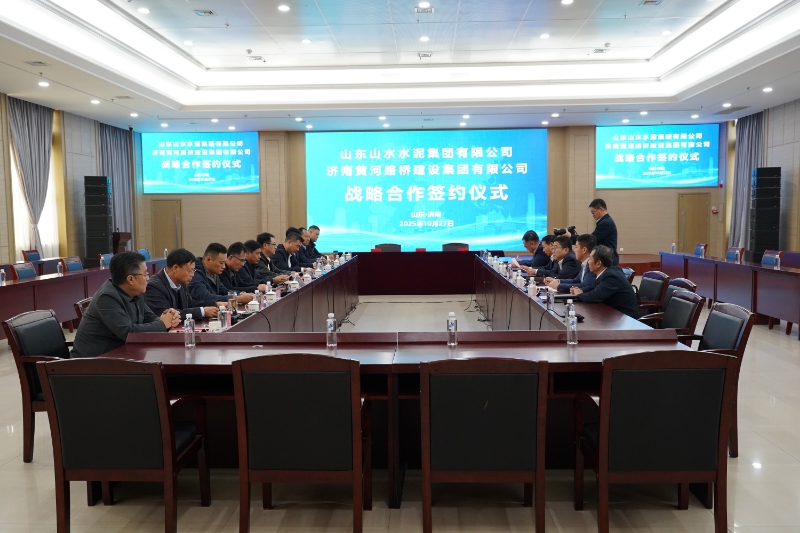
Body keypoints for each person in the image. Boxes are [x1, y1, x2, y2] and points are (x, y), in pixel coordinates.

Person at [71, 251, 180, 358]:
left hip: (119, 354)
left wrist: (168, 319)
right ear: (130, 279)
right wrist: (162, 324)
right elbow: (128, 333)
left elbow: (148, 317)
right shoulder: (106, 298)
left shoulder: (134, 291)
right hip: (92, 362)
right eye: (145, 274)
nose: (148, 278)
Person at [145, 248, 222, 320]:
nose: (192, 275)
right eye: (190, 271)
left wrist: (215, 304)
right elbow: (167, 315)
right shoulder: (154, 286)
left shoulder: (181, 282)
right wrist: (202, 311)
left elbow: (190, 303)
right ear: (175, 268)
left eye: (193, 271)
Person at [570, 245, 638, 318]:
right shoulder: (607, 272)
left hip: (625, 318)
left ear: (598, 263)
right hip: (613, 314)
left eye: (590, 259)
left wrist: (579, 295)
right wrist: (580, 290)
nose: (588, 262)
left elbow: (595, 296)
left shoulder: (611, 277)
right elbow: (592, 287)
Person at [189, 242, 254, 304]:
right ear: (208, 259)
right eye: (221, 263)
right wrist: (236, 298)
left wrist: (240, 294)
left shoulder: (213, 271)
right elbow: (206, 297)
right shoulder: (194, 274)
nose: (224, 266)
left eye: (224, 263)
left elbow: (223, 290)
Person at [588, 198, 619, 266]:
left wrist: (572, 237)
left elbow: (592, 239)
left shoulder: (606, 223)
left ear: (600, 209)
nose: (592, 215)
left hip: (608, 260)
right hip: (606, 258)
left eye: (593, 212)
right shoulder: (604, 221)